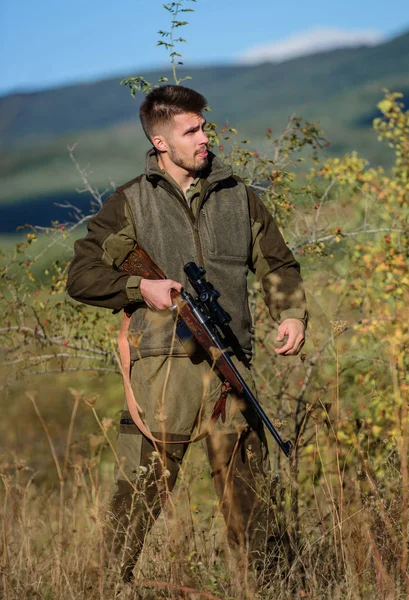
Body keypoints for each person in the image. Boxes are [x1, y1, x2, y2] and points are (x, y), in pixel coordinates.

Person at [66, 85, 307, 587]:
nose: (204, 138)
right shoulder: (130, 203)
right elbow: (82, 276)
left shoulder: (238, 195)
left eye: (204, 126)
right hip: (162, 372)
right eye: (190, 130)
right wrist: (139, 286)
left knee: (250, 501)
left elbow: (277, 262)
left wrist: (290, 312)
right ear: (160, 142)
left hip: (230, 369)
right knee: (137, 497)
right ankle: (102, 590)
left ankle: (264, 589)